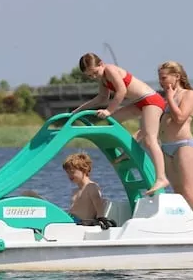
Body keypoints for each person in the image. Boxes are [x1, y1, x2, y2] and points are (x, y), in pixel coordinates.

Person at [72, 53, 169, 196]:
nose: (94, 77)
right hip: (139, 103)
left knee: (150, 139)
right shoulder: (103, 78)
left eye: (94, 73)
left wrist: (109, 110)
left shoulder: (110, 70)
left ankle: (162, 178)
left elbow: (121, 90)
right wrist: (78, 110)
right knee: (113, 121)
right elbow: (101, 98)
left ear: (101, 64)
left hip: (151, 100)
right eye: (90, 76)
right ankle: (128, 149)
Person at [157, 60, 193, 217]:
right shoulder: (165, 99)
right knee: (178, 193)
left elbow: (179, 118)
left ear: (176, 76)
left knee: (189, 191)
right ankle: (189, 223)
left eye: (164, 78)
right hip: (166, 147)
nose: (161, 81)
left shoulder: (189, 94)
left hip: (183, 146)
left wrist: (171, 98)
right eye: (159, 78)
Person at [63, 152, 106, 223]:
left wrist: (101, 221)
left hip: (82, 224)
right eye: (67, 172)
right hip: (72, 222)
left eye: (72, 172)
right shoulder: (75, 190)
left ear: (84, 170)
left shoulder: (91, 187)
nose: (69, 175)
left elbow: (100, 210)